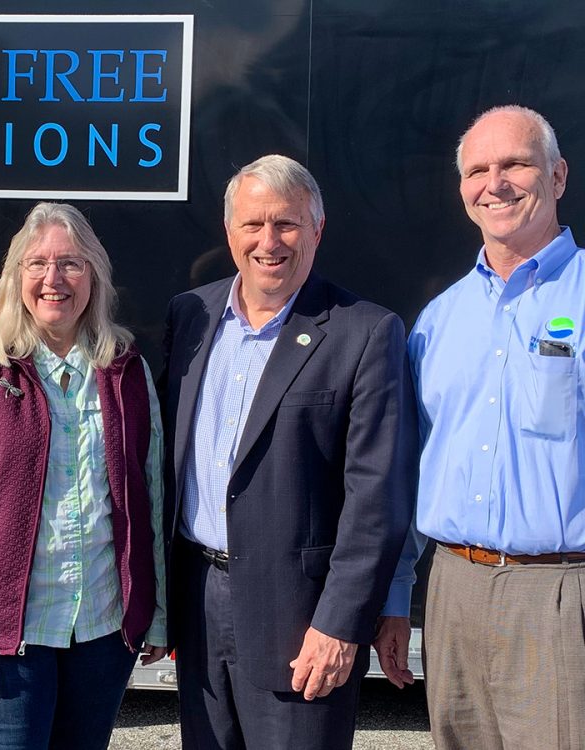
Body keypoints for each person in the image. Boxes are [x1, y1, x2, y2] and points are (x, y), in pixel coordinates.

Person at [161, 154, 417, 750]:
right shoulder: (191, 316)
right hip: (198, 603)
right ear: (230, 233)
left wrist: (339, 624)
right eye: (253, 224)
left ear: (317, 230)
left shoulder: (365, 332)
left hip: (301, 618)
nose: (268, 241)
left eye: (288, 224)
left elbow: (376, 498)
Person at [0, 201, 167, 750]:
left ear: (95, 277)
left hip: (102, 632)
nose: (53, 279)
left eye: (71, 263)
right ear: (16, 279)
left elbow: (149, 497)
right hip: (8, 638)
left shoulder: (127, 370)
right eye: (37, 264)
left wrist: (155, 611)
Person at [382, 105, 585, 750]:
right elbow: (409, 469)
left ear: (557, 176)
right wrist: (395, 595)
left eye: (515, 164)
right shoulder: (438, 321)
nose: (494, 182)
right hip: (454, 592)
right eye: (477, 169)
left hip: (562, 597)